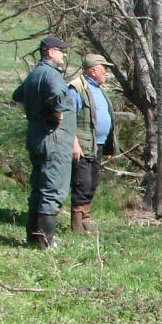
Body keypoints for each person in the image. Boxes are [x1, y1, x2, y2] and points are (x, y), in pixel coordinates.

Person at [12, 35, 74, 248]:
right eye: (61, 50)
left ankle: (34, 238)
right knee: (53, 189)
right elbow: (57, 95)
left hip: (37, 135)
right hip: (53, 139)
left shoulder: (34, 74)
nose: (64, 54)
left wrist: (34, 115)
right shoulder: (51, 75)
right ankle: (44, 242)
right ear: (50, 52)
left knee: (39, 188)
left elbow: (17, 97)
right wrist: (56, 115)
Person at [65, 53, 117, 234]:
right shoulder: (76, 89)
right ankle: (77, 224)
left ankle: (86, 220)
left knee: (92, 182)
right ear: (93, 70)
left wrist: (109, 146)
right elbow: (68, 119)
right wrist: (74, 144)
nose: (106, 72)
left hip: (98, 145)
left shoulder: (99, 89)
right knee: (82, 183)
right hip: (83, 147)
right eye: (104, 68)